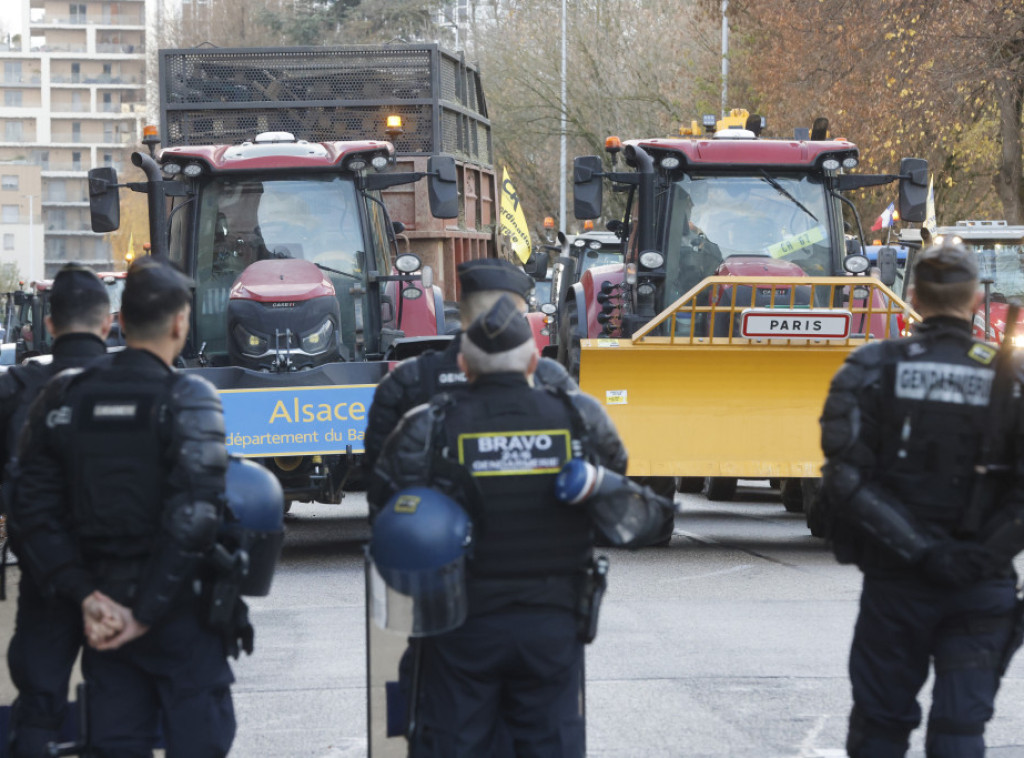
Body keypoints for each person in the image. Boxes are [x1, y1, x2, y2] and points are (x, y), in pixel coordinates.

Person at [368, 295, 673, 757]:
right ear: (534, 361)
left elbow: (387, 513)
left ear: (466, 368)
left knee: (453, 743)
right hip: (552, 625)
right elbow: (620, 497)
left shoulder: (426, 427)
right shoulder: (579, 418)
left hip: (458, 627)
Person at [9, 258, 237, 757]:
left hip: (104, 614)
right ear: (181, 322)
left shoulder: (62, 395)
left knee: (116, 743)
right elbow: (194, 518)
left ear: (121, 322)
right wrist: (147, 611)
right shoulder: (190, 398)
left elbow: (31, 510)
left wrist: (88, 596)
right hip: (178, 613)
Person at [819, 239, 1024, 758]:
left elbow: (845, 481)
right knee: (959, 732)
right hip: (981, 585)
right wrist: (980, 556)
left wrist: (920, 552)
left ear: (913, 295)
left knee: (879, 730)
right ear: (978, 298)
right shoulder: (1010, 377)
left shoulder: (870, 367)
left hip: (896, 582)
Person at [0, 264, 111, 757]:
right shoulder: (147, 385)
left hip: (45, 577)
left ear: (49, 325)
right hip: (121, 585)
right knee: (120, 712)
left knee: (38, 707)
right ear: (108, 323)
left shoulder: (17, 389)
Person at [362, 257, 575, 476]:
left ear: (462, 313)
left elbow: (379, 470)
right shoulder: (552, 378)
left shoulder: (409, 378)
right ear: (520, 315)